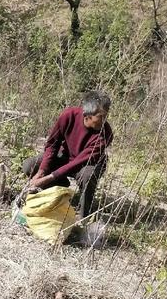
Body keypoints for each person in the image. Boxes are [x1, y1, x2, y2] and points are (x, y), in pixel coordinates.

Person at [22, 91, 113, 221]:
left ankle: (84, 215)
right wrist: (42, 171)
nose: (104, 121)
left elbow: (78, 162)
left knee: (88, 176)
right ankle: (59, 188)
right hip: (65, 157)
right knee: (29, 165)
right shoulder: (69, 115)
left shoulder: (106, 134)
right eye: (100, 116)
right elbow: (52, 144)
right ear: (87, 115)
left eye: (106, 116)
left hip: (86, 164)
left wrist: (48, 178)